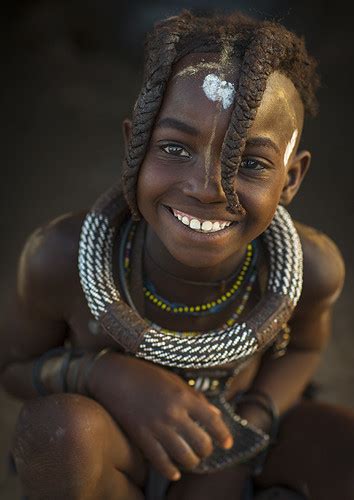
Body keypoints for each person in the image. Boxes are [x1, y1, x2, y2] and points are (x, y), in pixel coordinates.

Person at [1, 10, 353, 500]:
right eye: (175, 149)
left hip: (235, 452)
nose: (206, 189)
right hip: (111, 457)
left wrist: (241, 431)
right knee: (57, 432)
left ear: (291, 178)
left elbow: (303, 348)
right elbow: (12, 371)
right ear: (135, 148)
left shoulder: (308, 269)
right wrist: (103, 373)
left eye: (250, 163)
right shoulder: (58, 257)